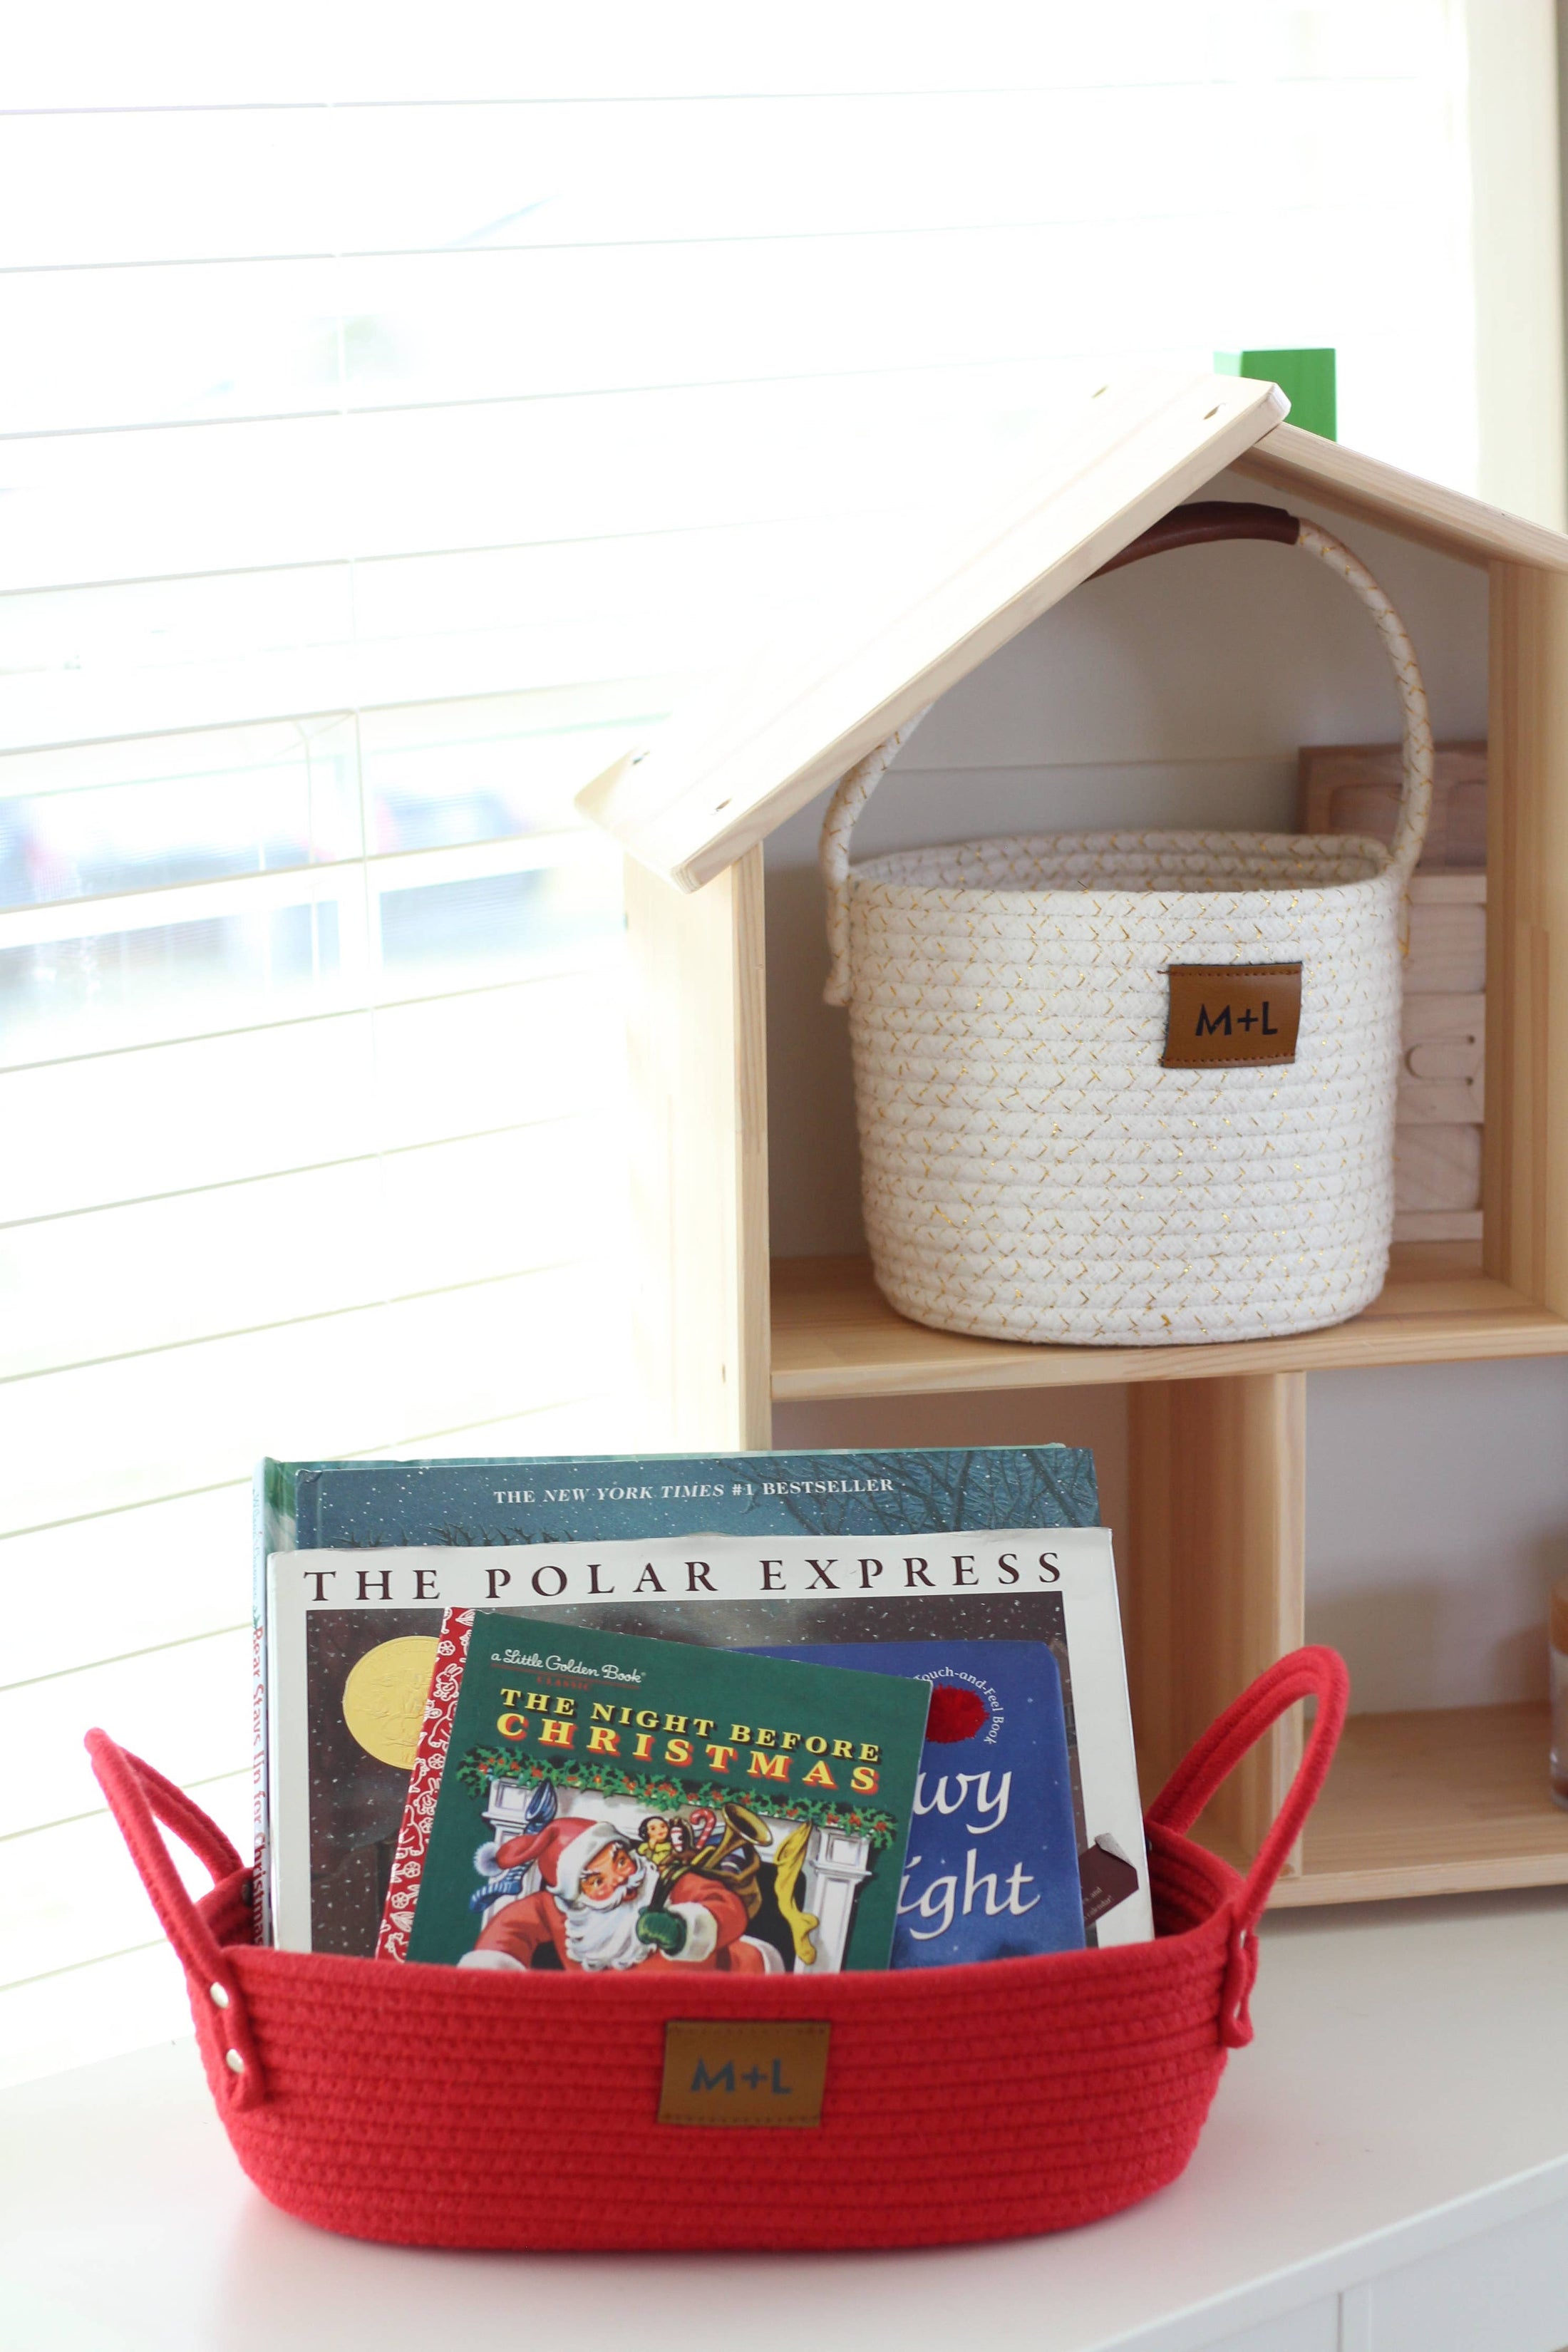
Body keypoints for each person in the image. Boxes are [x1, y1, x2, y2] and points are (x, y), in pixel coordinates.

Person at [458, 1812, 768, 1974]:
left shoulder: (664, 1879)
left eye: (621, 1861)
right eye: (596, 1881)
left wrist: (681, 1928)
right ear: (576, 1894)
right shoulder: (562, 1911)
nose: (620, 1879)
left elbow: (724, 1905)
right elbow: (509, 1927)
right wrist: (494, 1974)